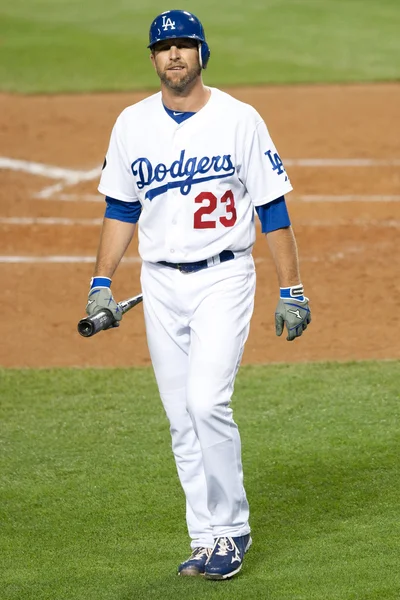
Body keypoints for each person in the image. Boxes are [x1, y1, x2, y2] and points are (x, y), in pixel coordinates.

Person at [85, 9, 311, 580]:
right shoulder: (131, 123)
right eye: (164, 48)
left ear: (202, 54)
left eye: (185, 46)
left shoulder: (239, 118)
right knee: (181, 418)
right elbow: (120, 208)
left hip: (224, 277)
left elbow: (272, 208)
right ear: (153, 58)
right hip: (158, 281)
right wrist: (100, 283)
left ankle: (233, 529)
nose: (175, 56)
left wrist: (293, 287)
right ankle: (205, 536)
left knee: (207, 402)